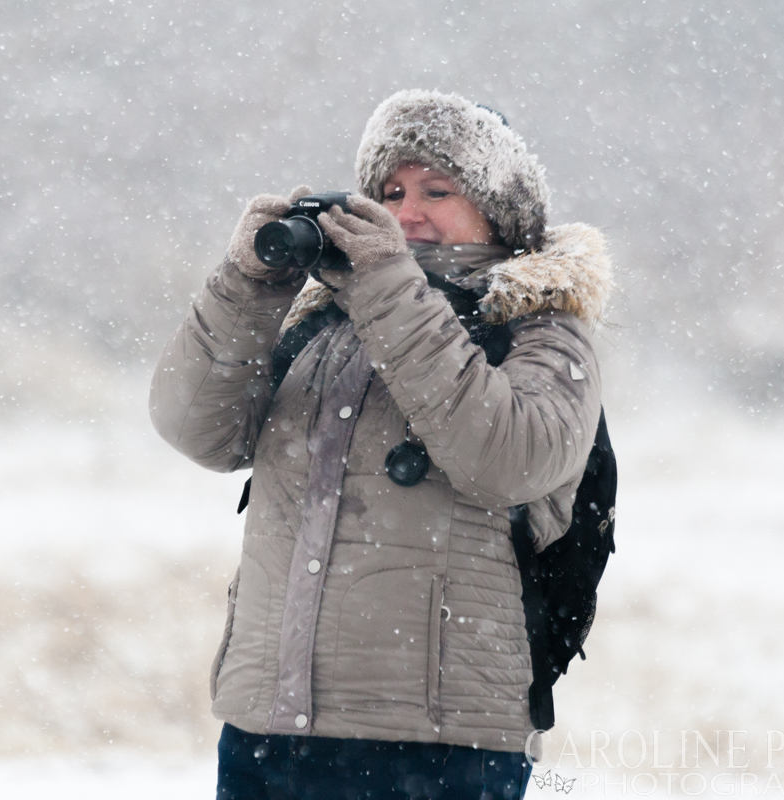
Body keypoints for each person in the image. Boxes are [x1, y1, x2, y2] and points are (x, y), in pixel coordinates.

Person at [150, 90, 612, 800]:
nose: (408, 212)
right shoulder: (324, 326)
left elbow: (512, 457)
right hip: (269, 728)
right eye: (390, 191)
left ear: (501, 209)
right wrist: (247, 286)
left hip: (437, 743)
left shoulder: (539, 321)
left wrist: (387, 286)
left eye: (438, 190)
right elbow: (195, 430)